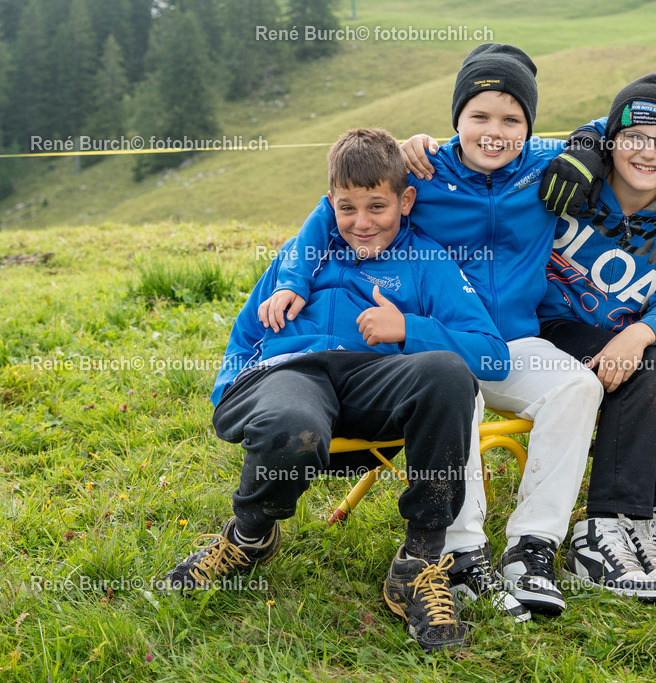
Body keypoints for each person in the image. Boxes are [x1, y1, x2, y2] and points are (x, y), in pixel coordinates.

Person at [262, 44, 656, 618]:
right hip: (430, 343)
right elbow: (335, 207)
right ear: (457, 120)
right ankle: (463, 551)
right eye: (479, 116)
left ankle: (533, 548)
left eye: (511, 119)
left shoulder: (547, 168)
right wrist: (293, 277)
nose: (494, 132)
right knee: (456, 392)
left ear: (529, 125)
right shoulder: (422, 168)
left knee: (578, 386)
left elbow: (617, 129)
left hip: (515, 341)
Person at [160, 128, 512, 653]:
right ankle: (249, 536)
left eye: (377, 206)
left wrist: (408, 331)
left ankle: (419, 562)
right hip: (292, 374)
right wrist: (232, 390)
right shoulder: (302, 256)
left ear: (406, 200)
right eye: (347, 208)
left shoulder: (429, 262)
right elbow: (247, 333)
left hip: (374, 382)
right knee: (290, 423)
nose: (362, 222)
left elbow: (491, 355)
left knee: (447, 371)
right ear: (329, 205)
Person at [535, 74, 656, 600]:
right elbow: (498, 146)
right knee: (649, 366)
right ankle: (597, 533)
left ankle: (643, 521)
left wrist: (638, 333)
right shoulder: (575, 179)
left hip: (619, 333)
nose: (648, 152)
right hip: (550, 325)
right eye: (635, 137)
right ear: (612, 141)